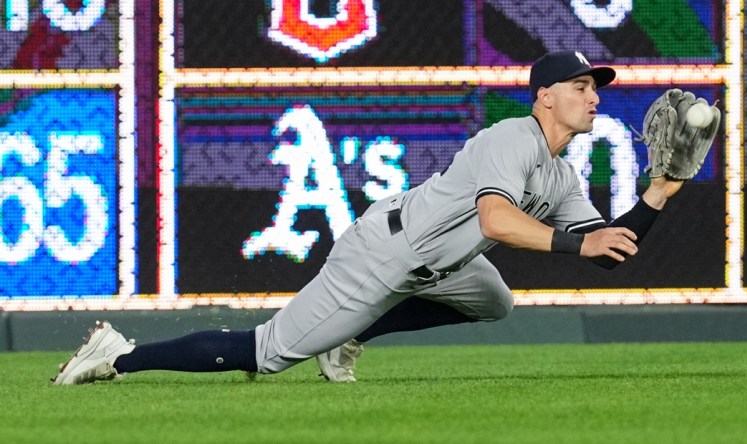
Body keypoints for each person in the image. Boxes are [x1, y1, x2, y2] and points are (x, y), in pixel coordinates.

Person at [53, 50, 683, 385]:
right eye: (580, 86)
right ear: (545, 96)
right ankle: (119, 355)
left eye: (595, 87)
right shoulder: (510, 138)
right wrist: (576, 245)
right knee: (266, 353)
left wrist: (659, 191)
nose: (593, 96)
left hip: (439, 266)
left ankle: (353, 337)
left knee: (495, 300)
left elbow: (608, 243)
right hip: (385, 253)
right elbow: (497, 223)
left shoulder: (562, 173)